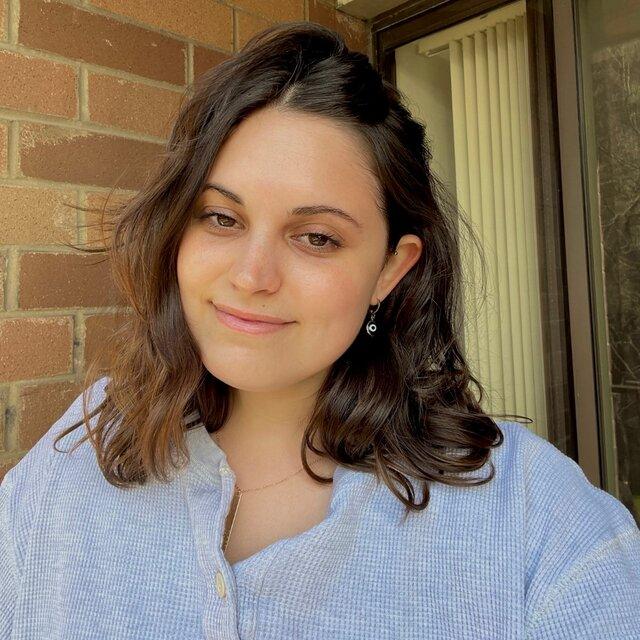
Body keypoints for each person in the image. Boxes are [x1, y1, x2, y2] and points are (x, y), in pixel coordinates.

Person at [1, 21, 639, 640]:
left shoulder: (530, 518)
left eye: (316, 237)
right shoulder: (81, 449)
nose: (252, 276)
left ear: (390, 268)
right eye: (220, 218)